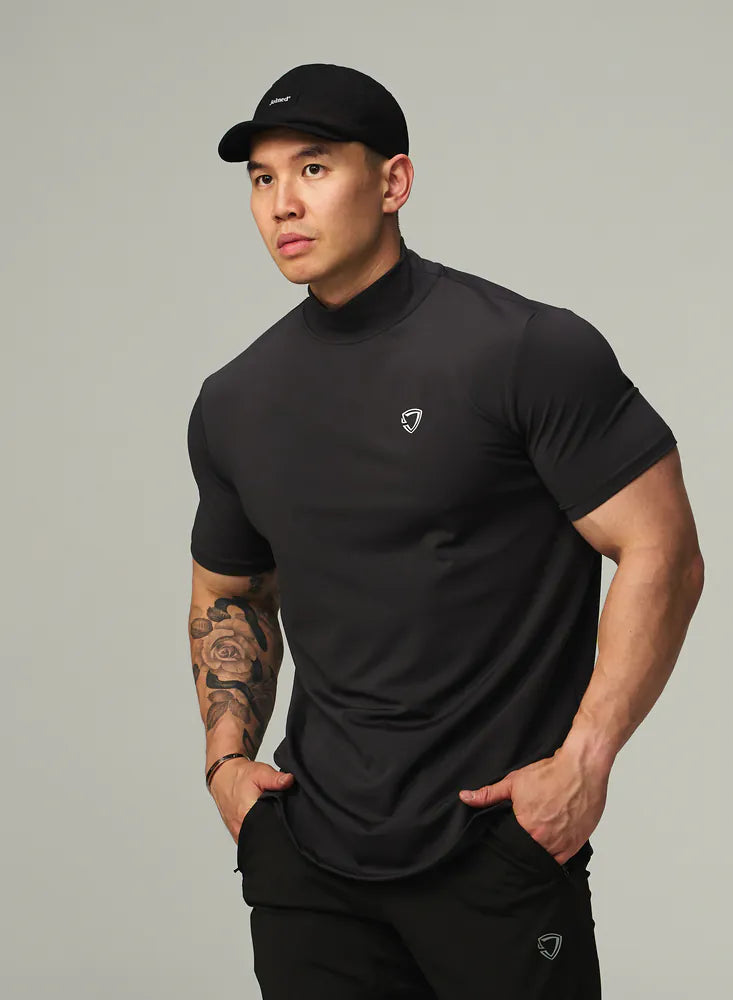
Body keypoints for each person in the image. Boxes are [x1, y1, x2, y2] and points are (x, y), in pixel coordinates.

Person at [187, 62, 704, 1000]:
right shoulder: (235, 401)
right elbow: (230, 592)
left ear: (394, 182)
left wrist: (586, 760)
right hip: (308, 860)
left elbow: (662, 548)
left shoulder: (525, 351)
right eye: (262, 178)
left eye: (313, 168)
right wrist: (226, 765)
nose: (281, 202)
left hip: (493, 844)